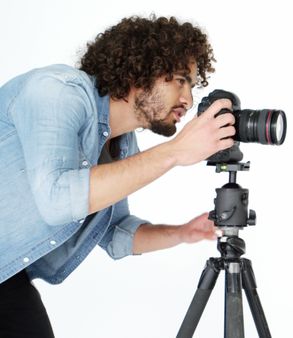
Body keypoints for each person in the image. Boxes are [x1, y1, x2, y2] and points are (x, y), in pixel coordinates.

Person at [0, 15, 235, 337]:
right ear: (141, 70)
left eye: (192, 85)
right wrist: (176, 152)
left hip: (7, 275)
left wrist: (183, 232)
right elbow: (58, 199)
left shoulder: (120, 143)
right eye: (180, 80)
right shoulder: (56, 91)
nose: (188, 100)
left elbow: (113, 232)